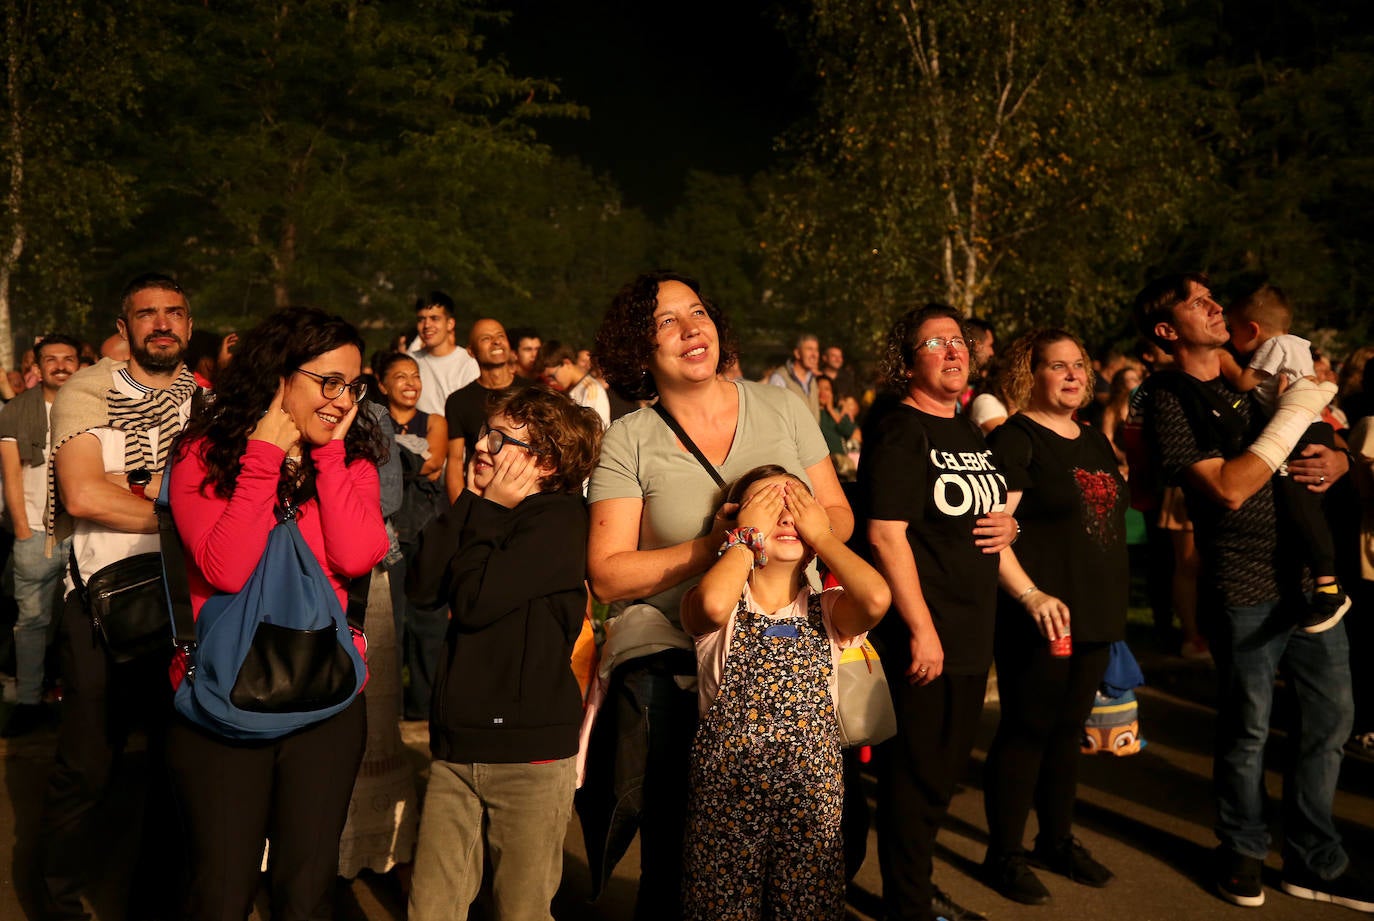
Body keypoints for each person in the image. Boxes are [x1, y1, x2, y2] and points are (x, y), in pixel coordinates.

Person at [584, 270, 852, 920]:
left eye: (697, 312)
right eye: (667, 322)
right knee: (677, 863)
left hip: (782, 657)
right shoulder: (630, 438)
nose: (690, 328)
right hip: (676, 669)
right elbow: (609, 574)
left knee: (800, 854)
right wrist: (719, 544)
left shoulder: (784, 407)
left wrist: (805, 528)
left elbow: (839, 514)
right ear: (640, 350)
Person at [1133, 273, 1370, 911]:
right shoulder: (1167, 397)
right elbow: (1231, 486)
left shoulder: (1259, 369)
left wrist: (1341, 460)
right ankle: (1240, 849)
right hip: (1245, 585)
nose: (1216, 306)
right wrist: (1293, 417)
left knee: (1330, 723)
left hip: (1312, 582)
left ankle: (1314, 860)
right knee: (1247, 731)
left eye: (1214, 296)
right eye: (1197, 300)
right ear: (1167, 330)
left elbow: (1326, 432)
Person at [165, 307, 388, 919]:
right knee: (222, 891)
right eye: (329, 381)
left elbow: (359, 553)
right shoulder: (202, 455)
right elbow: (225, 567)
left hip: (328, 700)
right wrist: (264, 457)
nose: (344, 400)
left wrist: (329, 461)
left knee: (307, 889)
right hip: (222, 703)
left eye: (355, 385)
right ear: (279, 376)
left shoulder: (353, 459)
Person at [406, 386, 602, 921]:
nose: (482, 447)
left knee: (520, 910)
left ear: (545, 461)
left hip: (529, 756)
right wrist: (470, 502)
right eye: (484, 435)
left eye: (499, 438)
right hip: (457, 747)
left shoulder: (559, 520)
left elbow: (472, 602)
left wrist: (488, 512)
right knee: (431, 909)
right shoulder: (486, 508)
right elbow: (423, 589)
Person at [40, 273, 201, 920]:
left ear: (189, 324)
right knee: (88, 762)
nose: (161, 324)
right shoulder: (89, 388)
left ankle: (154, 899)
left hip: (186, 598)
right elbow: (83, 495)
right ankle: (55, 896)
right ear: (126, 324)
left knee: (178, 758)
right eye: (147, 314)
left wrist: (135, 487)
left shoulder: (210, 401)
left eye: (174, 313)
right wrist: (184, 509)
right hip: (101, 600)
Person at [857, 303, 1024, 921]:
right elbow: (886, 535)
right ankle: (907, 903)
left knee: (943, 772)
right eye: (935, 344)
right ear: (907, 364)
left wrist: (1009, 524)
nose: (953, 352)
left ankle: (918, 889)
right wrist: (922, 630)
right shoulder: (903, 430)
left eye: (959, 341)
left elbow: (980, 519)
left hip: (973, 628)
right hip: (925, 633)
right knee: (917, 777)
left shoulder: (968, 432)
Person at [680, 465, 888, 921]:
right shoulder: (718, 605)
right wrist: (745, 538)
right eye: (770, 506)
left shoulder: (830, 609)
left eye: (797, 506)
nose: (788, 517)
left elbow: (875, 598)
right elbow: (712, 604)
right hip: (726, 809)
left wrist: (827, 536)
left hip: (812, 808)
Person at [979, 329, 1127, 905]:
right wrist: (1031, 595)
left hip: (1095, 614)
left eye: (1079, 365)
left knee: (1069, 734)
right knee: (1027, 733)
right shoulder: (1016, 440)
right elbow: (992, 533)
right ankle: (1004, 854)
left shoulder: (1091, 439)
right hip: (1041, 619)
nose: (1072, 375)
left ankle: (1056, 841)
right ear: (1029, 376)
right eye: (1057, 366)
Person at [1219, 284, 1349, 632]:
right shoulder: (1294, 344)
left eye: (1231, 331)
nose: (1229, 339)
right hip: (1312, 429)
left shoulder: (1274, 346)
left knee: (1301, 508)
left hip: (1302, 432)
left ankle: (1329, 588)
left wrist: (1223, 359)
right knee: (1303, 508)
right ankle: (1326, 583)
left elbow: (1244, 383)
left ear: (1252, 330)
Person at [0, 334, 80, 737]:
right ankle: (29, 702)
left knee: (79, 623)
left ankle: (73, 700)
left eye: (68, 359)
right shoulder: (17, 410)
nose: (61, 366)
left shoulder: (95, 407)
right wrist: (19, 526)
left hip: (85, 531)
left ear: (80, 364)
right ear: (38, 366)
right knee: (31, 620)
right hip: (34, 528)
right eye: (52, 359)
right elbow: (10, 473)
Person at [373, 350, 450, 719]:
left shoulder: (434, 420)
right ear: (382, 384)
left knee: (429, 621)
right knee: (391, 622)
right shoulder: (373, 420)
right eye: (400, 376)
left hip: (427, 530)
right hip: (388, 530)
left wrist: (394, 459)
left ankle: (424, 709)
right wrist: (410, 460)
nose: (410, 383)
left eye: (415, 375)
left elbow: (433, 461)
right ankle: (391, 710)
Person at [444, 318, 531, 501]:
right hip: (482, 499)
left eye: (500, 336)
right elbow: (455, 461)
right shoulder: (459, 401)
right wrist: (462, 513)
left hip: (528, 496)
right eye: (486, 338)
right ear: (471, 351)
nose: (496, 341)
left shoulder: (534, 393)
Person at [410, 291, 478, 416]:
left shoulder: (468, 362)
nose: (427, 325)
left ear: (450, 323)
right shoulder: (409, 360)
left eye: (434, 318)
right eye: (421, 319)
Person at [539, 339, 611, 427]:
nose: (552, 382)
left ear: (567, 363)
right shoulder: (571, 389)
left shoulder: (591, 391)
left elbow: (597, 433)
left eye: (552, 376)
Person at [768, 333, 822, 422]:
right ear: (797, 353)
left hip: (812, 435)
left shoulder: (812, 379)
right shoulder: (780, 378)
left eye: (816, 350)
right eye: (809, 349)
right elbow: (774, 415)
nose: (814, 355)